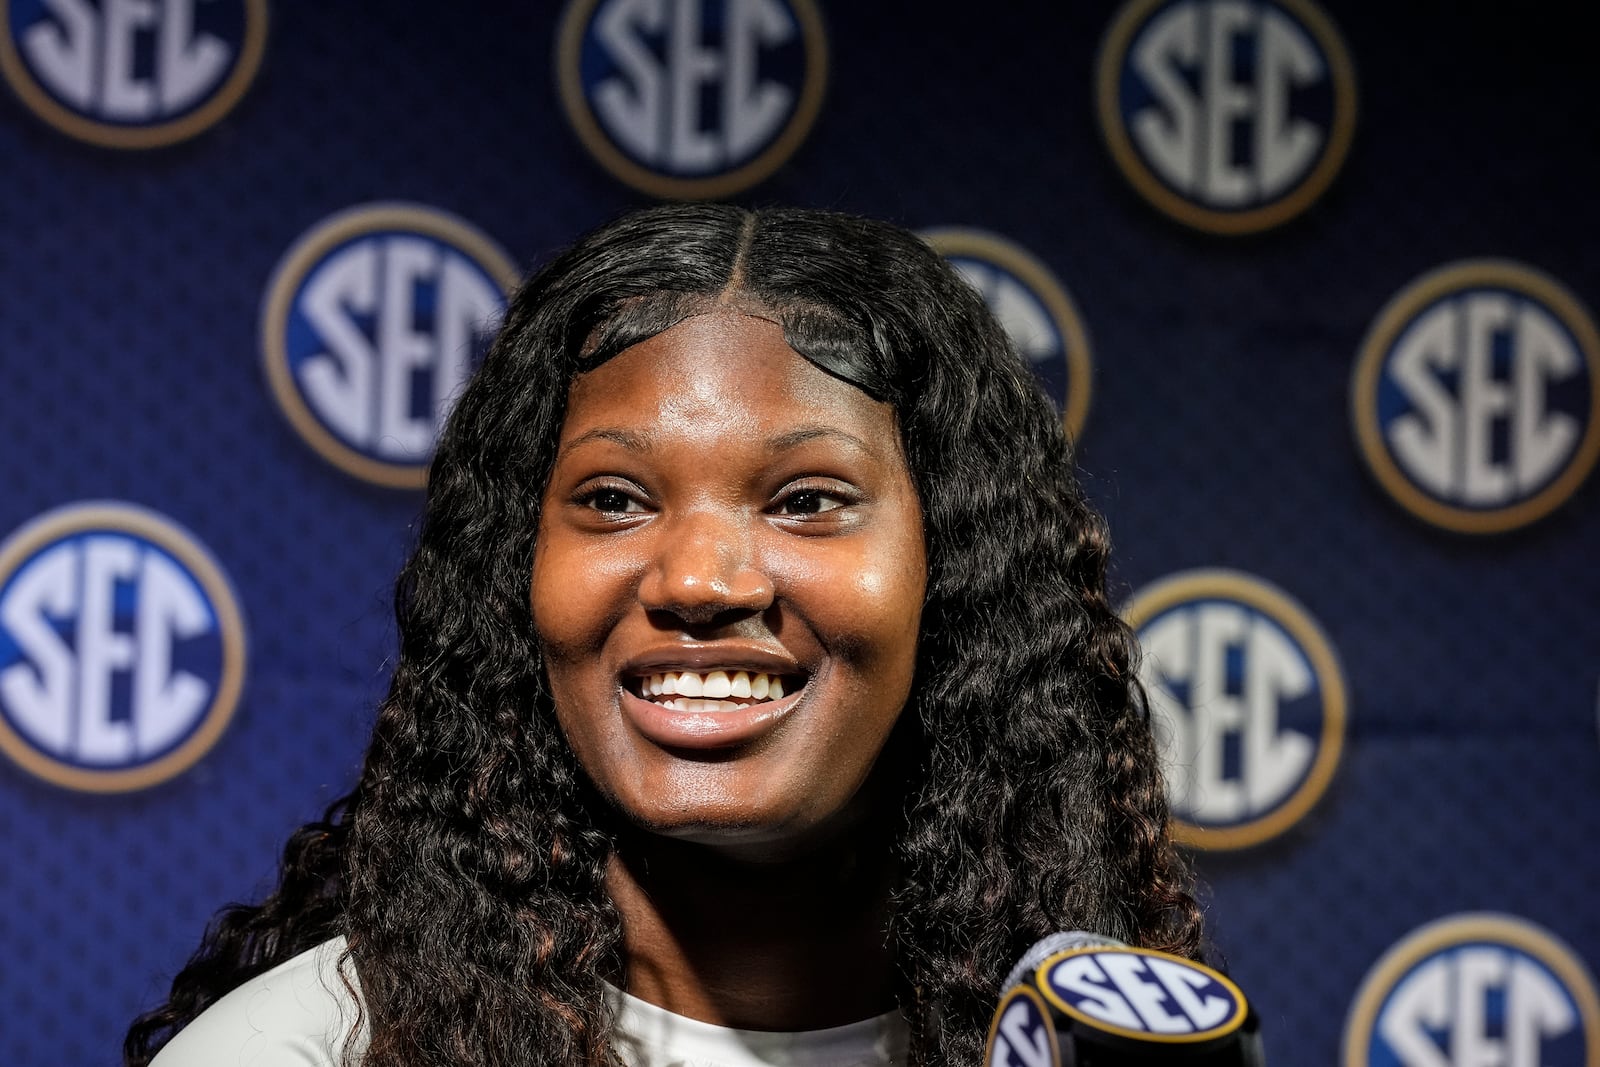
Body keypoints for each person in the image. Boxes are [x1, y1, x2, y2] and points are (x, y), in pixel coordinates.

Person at [126, 203, 1202, 1067]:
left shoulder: (1088, 1052)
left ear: (952, 572)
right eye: (613, 497)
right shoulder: (302, 1053)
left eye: (807, 498)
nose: (695, 577)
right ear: (516, 576)